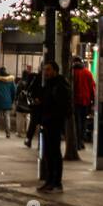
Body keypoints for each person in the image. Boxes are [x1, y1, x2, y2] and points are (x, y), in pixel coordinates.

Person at [35, 60, 70, 192]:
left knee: (54, 153)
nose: (46, 72)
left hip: (54, 123)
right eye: (45, 70)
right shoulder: (49, 85)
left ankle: (56, 183)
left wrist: (51, 117)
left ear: (55, 71)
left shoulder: (60, 85)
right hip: (47, 122)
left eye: (48, 70)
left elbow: (61, 106)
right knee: (48, 153)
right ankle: (49, 181)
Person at [71, 57, 96, 149]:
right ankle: (81, 140)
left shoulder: (72, 73)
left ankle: (77, 142)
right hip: (86, 101)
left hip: (75, 101)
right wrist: (93, 101)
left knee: (77, 122)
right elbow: (92, 87)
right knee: (83, 121)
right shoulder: (88, 73)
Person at [21, 67, 43, 148]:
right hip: (39, 104)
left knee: (33, 123)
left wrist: (35, 98)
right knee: (38, 123)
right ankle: (38, 142)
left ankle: (29, 139)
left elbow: (31, 89)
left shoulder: (36, 77)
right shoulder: (40, 78)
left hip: (36, 104)